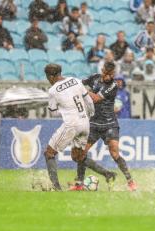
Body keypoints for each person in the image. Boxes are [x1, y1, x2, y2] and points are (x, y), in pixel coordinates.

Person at [72, 61, 137, 191]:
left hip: (109, 124)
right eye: (106, 74)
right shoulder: (95, 77)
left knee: (114, 153)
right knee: (81, 154)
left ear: (114, 74)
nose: (108, 77)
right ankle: (79, 184)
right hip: (94, 124)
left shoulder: (113, 85)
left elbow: (95, 98)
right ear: (102, 70)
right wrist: (75, 85)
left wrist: (83, 90)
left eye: (111, 75)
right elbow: (80, 83)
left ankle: (130, 181)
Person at [44, 63, 95, 191]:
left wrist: (61, 106)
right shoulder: (76, 80)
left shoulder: (53, 90)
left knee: (49, 153)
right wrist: (90, 116)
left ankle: (56, 188)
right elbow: (89, 101)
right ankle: (107, 173)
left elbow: (53, 112)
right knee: (78, 157)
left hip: (71, 125)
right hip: (85, 122)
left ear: (50, 76)